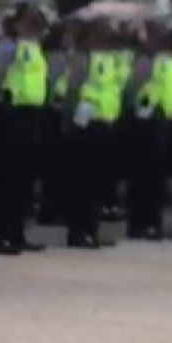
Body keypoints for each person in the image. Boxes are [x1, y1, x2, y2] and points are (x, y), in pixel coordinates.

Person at [0, 0, 50, 255]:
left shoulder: (35, 47)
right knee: (5, 177)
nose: (36, 22)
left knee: (23, 178)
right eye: (31, 16)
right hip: (10, 116)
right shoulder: (9, 47)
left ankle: (16, 231)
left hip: (30, 116)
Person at [62, 13, 122, 249]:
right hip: (85, 125)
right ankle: (79, 231)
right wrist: (72, 119)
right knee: (83, 182)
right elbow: (73, 90)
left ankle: (92, 229)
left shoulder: (109, 60)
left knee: (99, 182)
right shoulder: (83, 58)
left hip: (105, 123)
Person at [125, 19, 172, 240]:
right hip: (145, 124)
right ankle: (140, 223)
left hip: (164, 121)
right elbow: (133, 90)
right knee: (143, 177)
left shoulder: (167, 62)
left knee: (156, 178)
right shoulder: (144, 61)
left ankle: (152, 222)